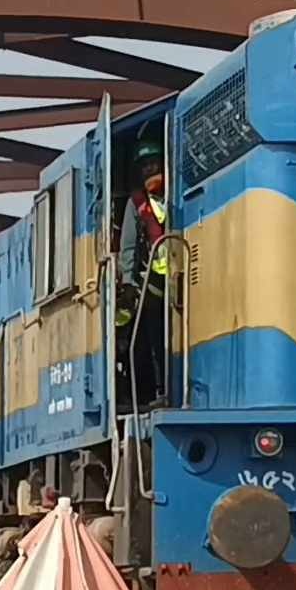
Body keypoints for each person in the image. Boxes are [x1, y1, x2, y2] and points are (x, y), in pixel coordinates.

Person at [117, 140, 170, 405]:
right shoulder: (136, 204)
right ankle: (155, 390)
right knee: (151, 340)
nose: (151, 169)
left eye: (154, 163)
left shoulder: (176, 193)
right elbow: (127, 246)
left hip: (180, 280)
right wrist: (128, 283)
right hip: (151, 284)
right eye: (146, 166)